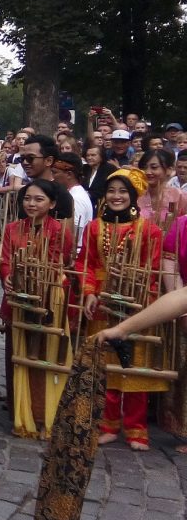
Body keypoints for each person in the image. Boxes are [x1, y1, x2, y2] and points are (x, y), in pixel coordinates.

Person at [76, 168, 166, 450]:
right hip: (102, 303)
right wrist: (89, 292)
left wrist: (135, 291)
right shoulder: (94, 227)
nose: (116, 197)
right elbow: (85, 264)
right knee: (107, 366)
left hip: (135, 304)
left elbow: (153, 271)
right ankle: (108, 423)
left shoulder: (148, 230)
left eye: (123, 192)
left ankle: (137, 429)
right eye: (112, 191)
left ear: (134, 196)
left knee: (135, 366)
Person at [0, 180, 76, 439]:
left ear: (52, 204)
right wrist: (8, 276)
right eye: (28, 198)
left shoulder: (59, 231)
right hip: (19, 299)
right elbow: (6, 260)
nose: (31, 204)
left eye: (39, 199)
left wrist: (32, 276)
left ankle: (48, 415)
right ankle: (22, 414)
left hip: (49, 298)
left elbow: (56, 263)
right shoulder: (12, 228)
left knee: (47, 355)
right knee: (19, 355)